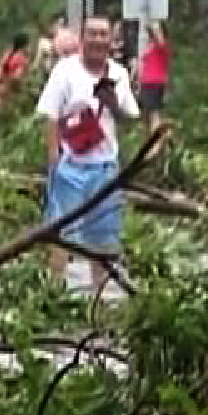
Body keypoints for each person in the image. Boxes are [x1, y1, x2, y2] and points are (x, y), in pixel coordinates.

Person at [36, 17, 140, 287]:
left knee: (103, 236)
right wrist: (53, 157)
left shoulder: (118, 74)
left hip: (105, 166)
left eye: (103, 34)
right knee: (60, 231)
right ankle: (54, 292)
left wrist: (113, 105)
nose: (97, 40)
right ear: (82, 38)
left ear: (110, 41)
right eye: (92, 34)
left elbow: (131, 117)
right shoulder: (65, 71)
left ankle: (99, 298)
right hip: (70, 165)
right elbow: (50, 114)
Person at [139, 22, 170, 135]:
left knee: (154, 114)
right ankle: (160, 141)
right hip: (146, 83)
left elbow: (159, 39)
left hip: (154, 82)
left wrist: (156, 28)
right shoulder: (150, 45)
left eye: (157, 30)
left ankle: (155, 144)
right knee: (146, 115)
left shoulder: (162, 45)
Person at [0, 33, 31, 107]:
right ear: (24, 46)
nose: (30, 47)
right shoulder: (21, 59)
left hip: (0, 90)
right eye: (28, 45)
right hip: (11, 94)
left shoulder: (8, 54)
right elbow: (16, 78)